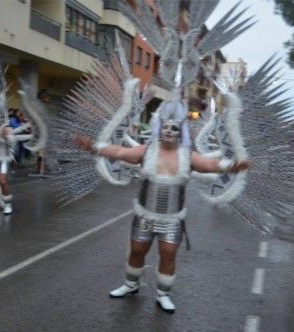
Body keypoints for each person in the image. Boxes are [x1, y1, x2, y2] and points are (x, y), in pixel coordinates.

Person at [75, 101, 249, 313]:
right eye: (165, 127)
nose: (169, 131)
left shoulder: (188, 156)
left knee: (168, 254)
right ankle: (131, 285)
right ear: (159, 129)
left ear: (180, 132)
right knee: (137, 250)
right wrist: (94, 147)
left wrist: (232, 167)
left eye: (174, 128)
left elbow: (209, 164)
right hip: (144, 216)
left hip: (172, 219)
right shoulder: (146, 151)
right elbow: (119, 152)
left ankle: (163, 294)